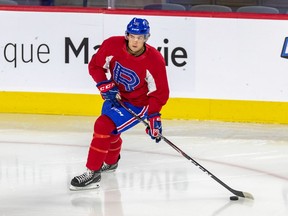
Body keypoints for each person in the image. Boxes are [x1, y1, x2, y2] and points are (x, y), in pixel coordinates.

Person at [70, 17, 169, 191]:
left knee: (103, 125)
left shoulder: (154, 60)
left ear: (147, 37)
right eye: (132, 36)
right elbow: (95, 65)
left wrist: (153, 116)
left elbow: (159, 93)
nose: (135, 40)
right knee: (110, 132)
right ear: (126, 35)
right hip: (116, 97)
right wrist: (103, 83)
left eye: (140, 37)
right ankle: (110, 162)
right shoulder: (112, 45)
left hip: (138, 104)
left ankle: (92, 172)